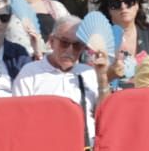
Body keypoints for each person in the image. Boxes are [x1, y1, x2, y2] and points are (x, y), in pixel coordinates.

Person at [12, 16, 109, 144]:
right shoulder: (30, 73)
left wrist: (102, 78)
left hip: (86, 147)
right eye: (64, 43)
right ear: (52, 41)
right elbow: (19, 119)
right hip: (47, 146)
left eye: (77, 45)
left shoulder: (89, 72)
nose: (70, 50)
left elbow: (105, 115)